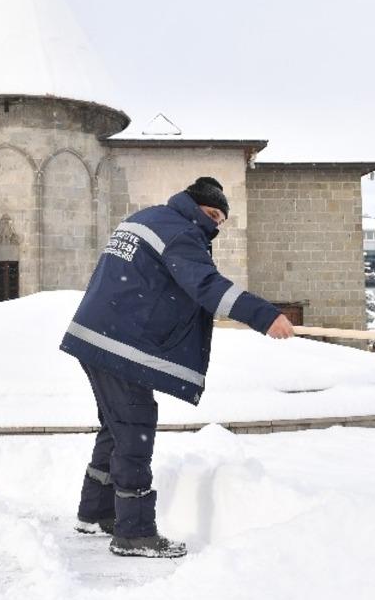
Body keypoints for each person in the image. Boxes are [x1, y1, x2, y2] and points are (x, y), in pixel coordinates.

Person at [60, 176, 296, 558]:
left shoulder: (148, 219)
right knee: (134, 426)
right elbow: (205, 284)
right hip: (120, 343)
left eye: (222, 219)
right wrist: (265, 316)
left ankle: (96, 512)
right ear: (198, 207)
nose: (217, 225)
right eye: (215, 215)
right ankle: (134, 532)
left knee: (117, 426)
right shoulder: (181, 233)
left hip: (99, 334)